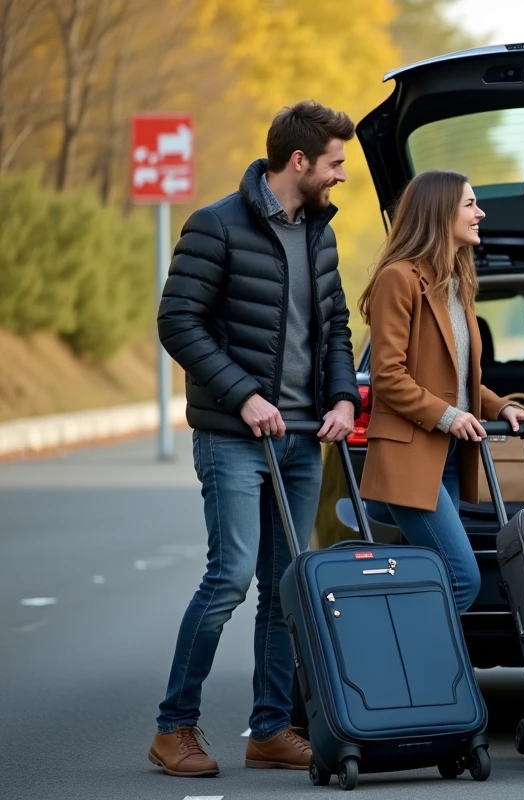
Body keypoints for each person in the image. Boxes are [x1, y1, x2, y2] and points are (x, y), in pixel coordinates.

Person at [149, 100, 362, 778]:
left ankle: (270, 729)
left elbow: (335, 327)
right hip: (235, 438)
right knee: (231, 578)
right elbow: (178, 323)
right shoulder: (216, 225)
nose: (342, 176)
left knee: (286, 585)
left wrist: (343, 397)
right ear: (299, 160)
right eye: (335, 163)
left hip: (304, 438)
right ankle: (173, 728)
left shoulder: (320, 234)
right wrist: (244, 395)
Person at [356, 169, 524, 614]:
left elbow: (458, 380)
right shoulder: (398, 278)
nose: (481, 213)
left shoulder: (456, 284)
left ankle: (415, 656)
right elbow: (388, 376)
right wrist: (449, 416)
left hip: (449, 456)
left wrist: (503, 407)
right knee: (460, 578)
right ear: (441, 213)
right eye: (470, 204)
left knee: (436, 577)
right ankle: (414, 658)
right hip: (409, 457)